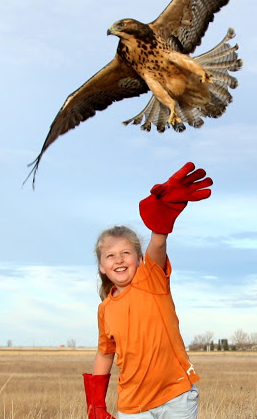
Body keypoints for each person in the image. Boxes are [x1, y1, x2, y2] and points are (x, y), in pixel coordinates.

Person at [83, 162, 213, 419]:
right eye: (110, 256)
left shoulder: (151, 279)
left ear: (139, 259)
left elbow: (157, 243)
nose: (119, 260)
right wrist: (95, 402)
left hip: (176, 396)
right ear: (101, 266)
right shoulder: (105, 309)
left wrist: (160, 224)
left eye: (126, 253)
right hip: (133, 405)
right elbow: (104, 352)